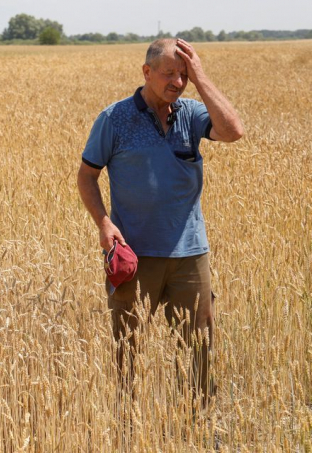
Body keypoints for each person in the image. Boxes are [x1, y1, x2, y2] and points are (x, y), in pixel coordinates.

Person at [77, 38, 243, 404]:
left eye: (183, 75)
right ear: (146, 72)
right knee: (128, 351)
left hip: (190, 255)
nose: (177, 83)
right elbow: (87, 175)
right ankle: (127, 427)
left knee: (198, 349)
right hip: (134, 257)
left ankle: (196, 425)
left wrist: (201, 76)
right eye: (169, 74)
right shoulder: (114, 118)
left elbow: (233, 131)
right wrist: (104, 224)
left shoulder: (192, 113)